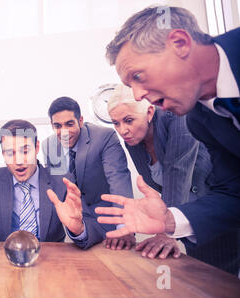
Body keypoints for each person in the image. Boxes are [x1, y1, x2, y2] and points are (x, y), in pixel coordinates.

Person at [96, 6, 240, 274]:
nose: (137, 95)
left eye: (137, 76)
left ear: (179, 43)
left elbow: (179, 170)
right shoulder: (199, 118)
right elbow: (234, 193)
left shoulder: (182, 122)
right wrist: (170, 220)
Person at [106, 84, 238, 274]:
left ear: (150, 112)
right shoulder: (133, 140)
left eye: (128, 120)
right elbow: (160, 185)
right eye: (115, 123)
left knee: (221, 279)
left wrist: (164, 231)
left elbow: (178, 171)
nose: (122, 130)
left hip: (216, 206)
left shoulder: (176, 117)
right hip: (187, 216)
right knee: (199, 278)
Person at [0, 119, 112, 249]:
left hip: (49, 266)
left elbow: (94, 228)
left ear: (36, 148)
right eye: (10, 153)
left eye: (25, 150)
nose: (19, 161)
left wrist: (79, 229)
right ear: (3, 155)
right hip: (0, 265)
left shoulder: (62, 181)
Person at [42, 96, 133, 224]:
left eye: (69, 124)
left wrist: (124, 224)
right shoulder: (49, 145)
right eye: (57, 126)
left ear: (80, 121)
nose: (64, 132)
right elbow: (58, 187)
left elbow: (118, 180)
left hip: (108, 216)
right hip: (76, 220)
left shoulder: (104, 137)